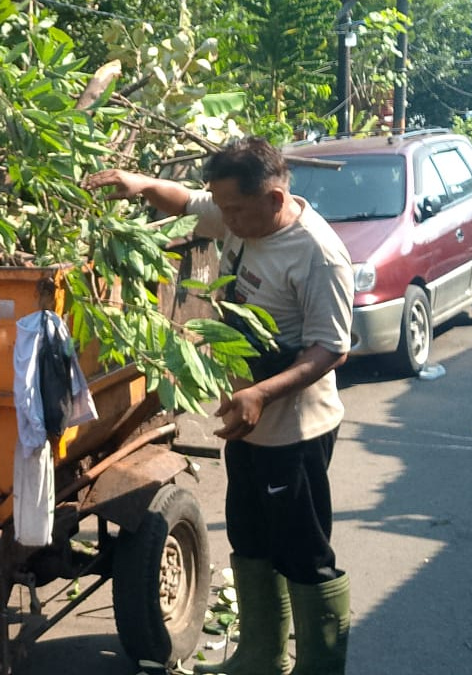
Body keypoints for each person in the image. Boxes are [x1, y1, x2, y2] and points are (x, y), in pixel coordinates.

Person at [86, 137, 354, 675]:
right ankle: (261, 655)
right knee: (250, 539)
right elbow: (184, 201)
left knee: (303, 553)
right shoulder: (239, 214)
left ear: (275, 199)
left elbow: (332, 349)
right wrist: (138, 184)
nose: (223, 218)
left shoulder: (317, 254)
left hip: (295, 431)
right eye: (222, 205)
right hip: (248, 426)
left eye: (233, 208)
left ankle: (319, 668)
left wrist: (261, 393)